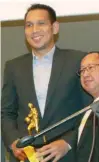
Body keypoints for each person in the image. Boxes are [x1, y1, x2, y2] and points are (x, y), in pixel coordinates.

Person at [1, 3, 91, 162]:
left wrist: (68, 143)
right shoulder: (13, 67)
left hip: (68, 156)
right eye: (29, 25)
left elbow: (90, 111)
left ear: (55, 27)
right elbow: (7, 112)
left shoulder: (77, 61)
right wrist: (14, 142)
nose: (34, 30)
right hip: (27, 157)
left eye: (41, 23)